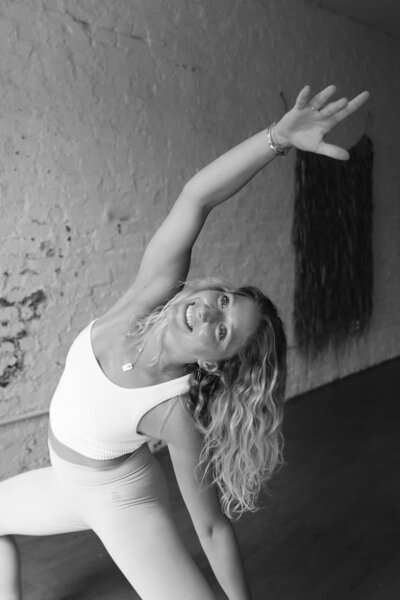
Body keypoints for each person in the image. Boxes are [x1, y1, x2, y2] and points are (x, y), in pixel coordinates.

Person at [0, 84, 369, 600]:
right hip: (64, 483)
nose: (208, 313)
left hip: (118, 500)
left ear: (216, 363)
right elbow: (197, 196)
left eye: (223, 332)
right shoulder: (146, 298)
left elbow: (213, 529)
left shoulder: (173, 413)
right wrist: (276, 138)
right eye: (220, 300)